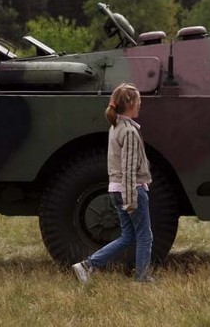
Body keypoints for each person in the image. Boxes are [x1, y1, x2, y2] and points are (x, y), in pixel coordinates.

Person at [72, 83, 154, 284]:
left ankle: (87, 265)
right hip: (131, 189)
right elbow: (128, 169)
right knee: (145, 236)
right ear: (131, 104)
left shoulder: (116, 127)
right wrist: (131, 199)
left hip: (116, 189)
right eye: (139, 101)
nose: (140, 104)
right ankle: (141, 280)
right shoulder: (129, 132)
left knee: (128, 236)